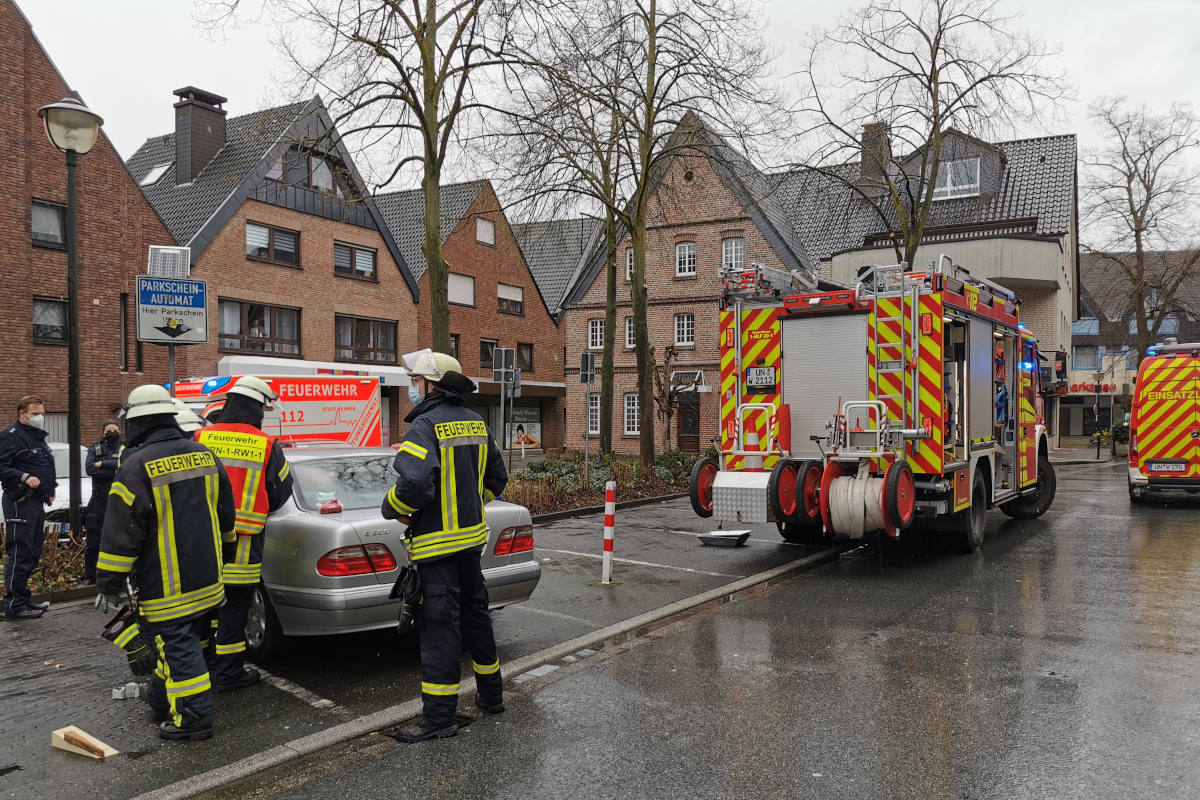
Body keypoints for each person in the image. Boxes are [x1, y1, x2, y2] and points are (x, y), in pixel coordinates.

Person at [382, 351, 508, 742]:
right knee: (476, 618)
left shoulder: (424, 426)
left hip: (436, 548)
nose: (412, 389)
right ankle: (492, 697)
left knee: (439, 627)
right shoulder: (475, 422)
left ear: (432, 385)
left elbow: (415, 486)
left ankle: (438, 719)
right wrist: (469, 505)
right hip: (471, 544)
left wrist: (394, 507)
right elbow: (497, 479)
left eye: (416, 381)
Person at [96, 384, 234, 740]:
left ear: (136, 423)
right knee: (185, 645)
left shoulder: (135, 466)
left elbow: (121, 534)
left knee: (178, 646)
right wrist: (226, 556)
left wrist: (109, 582)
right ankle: (160, 699)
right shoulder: (204, 455)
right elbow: (226, 515)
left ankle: (194, 720)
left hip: (167, 586)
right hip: (209, 578)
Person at [196, 376, 292, 692]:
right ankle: (228, 673)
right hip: (244, 540)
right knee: (235, 606)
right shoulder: (265, 445)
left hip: (202, 539)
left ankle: (202, 664)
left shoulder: (201, 437)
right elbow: (281, 490)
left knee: (204, 602)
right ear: (256, 407)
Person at [0, 395, 57, 619]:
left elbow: (43, 465)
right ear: (21, 414)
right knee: (20, 552)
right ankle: (14, 605)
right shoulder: (10, 437)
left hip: (35, 501)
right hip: (19, 502)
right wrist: (22, 476)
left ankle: (23, 600)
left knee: (32, 552)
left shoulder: (35, 438)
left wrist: (49, 489)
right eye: (35, 414)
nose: (40, 418)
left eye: (42, 413)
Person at [82, 420, 122, 585]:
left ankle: (118, 577)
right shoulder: (95, 448)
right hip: (99, 501)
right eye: (108, 430)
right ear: (103, 433)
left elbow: (126, 465)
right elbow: (90, 469)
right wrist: (114, 470)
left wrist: (104, 464)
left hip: (119, 500)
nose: (112, 432)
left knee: (119, 540)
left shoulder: (125, 449)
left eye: (115, 429)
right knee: (93, 541)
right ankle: (90, 576)